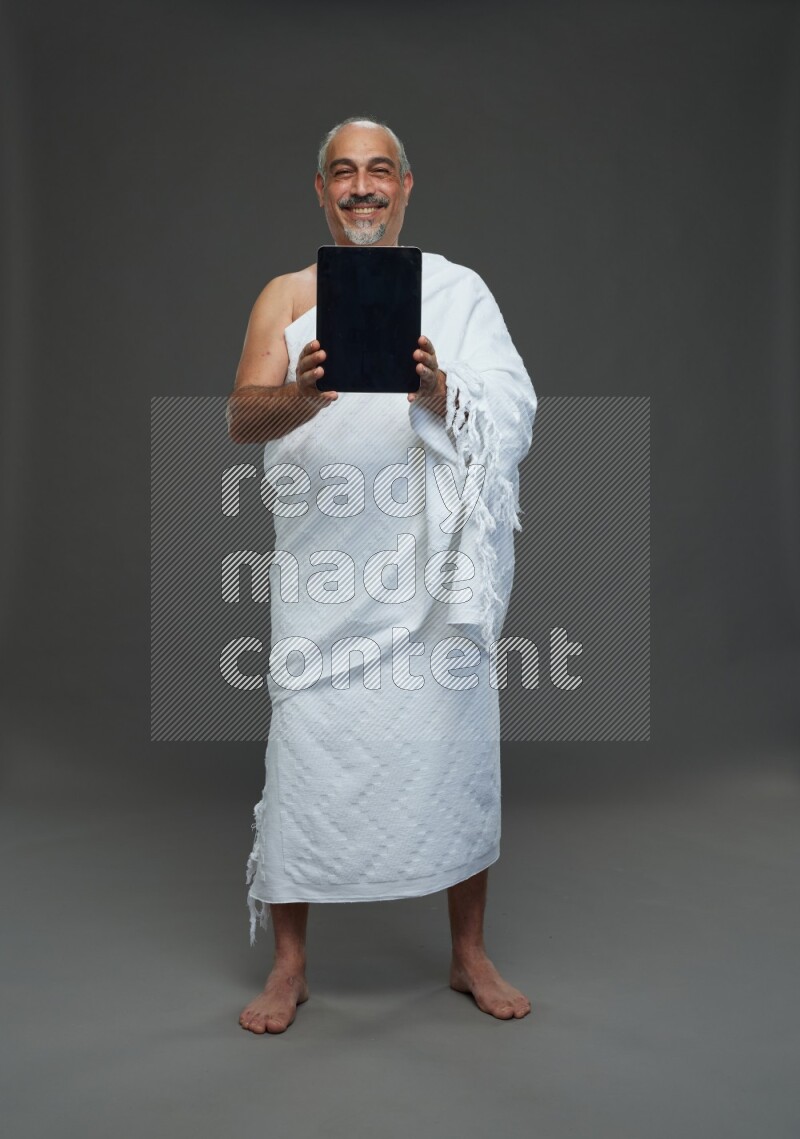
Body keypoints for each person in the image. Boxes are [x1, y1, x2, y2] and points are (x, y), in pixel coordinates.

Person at [227, 117, 538, 1033]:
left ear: (406, 186)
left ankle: (467, 953)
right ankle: (290, 966)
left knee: (453, 748)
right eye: (342, 173)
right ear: (320, 191)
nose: (362, 187)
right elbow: (244, 420)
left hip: (433, 576)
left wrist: (443, 392)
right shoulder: (285, 296)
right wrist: (305, 391)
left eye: (379, 171)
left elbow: (514, 407)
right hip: (325, 573)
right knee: (307, 752)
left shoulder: (459, 292)